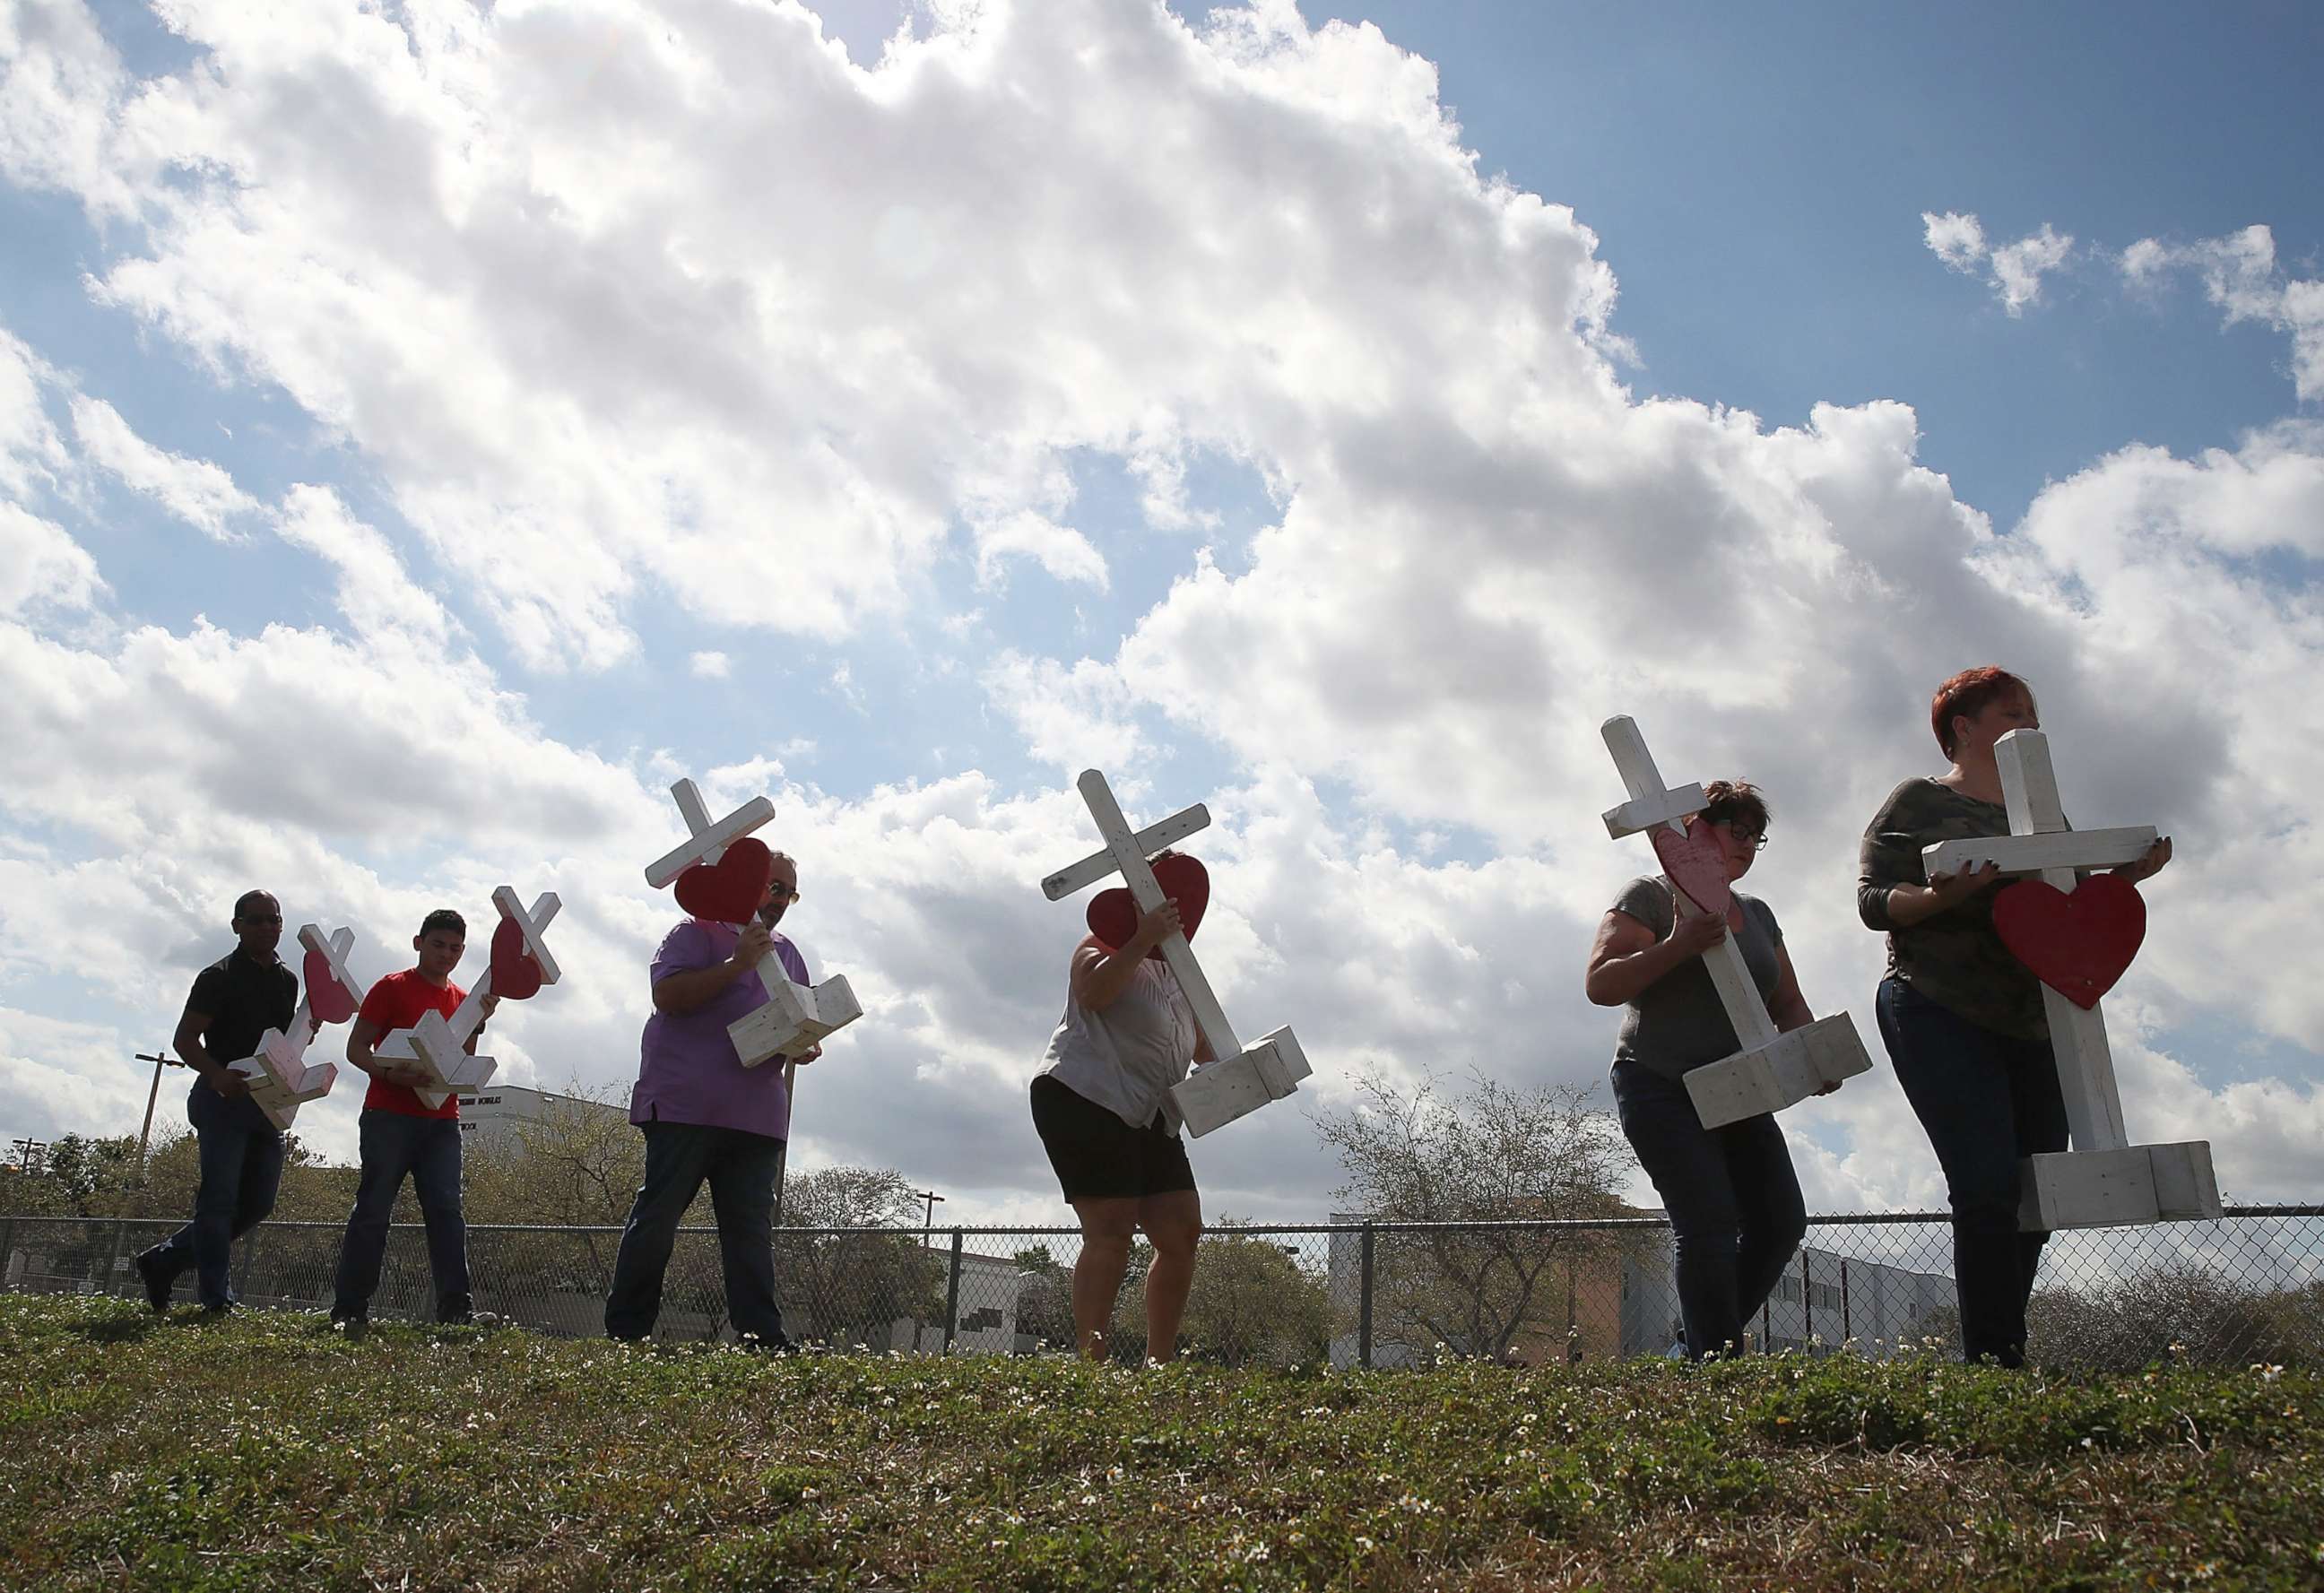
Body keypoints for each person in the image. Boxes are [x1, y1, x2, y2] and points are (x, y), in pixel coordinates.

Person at [1858, 666, 2172, 1366]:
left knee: (2035, 1188)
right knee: (1985, 1183)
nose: (2028, 724)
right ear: (1963, 728)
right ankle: (1993, 1359)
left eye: (2032, 712)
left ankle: (2004, 1342)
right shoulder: (1919, 800)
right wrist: (1938, 898)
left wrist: (2121, 879)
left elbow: (2065, 909)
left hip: (2035, 1021)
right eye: (2010, 712)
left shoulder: (2044, 812)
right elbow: (1875, 899)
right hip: (1937, 1004)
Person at [1583, 782, 1817, 1359]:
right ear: (1694, 828)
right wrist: (1679, 945)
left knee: (1780, 1220)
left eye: (1756, 837)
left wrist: (1810, 1058)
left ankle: (1698, 1344)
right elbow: (1602, 982)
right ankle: (1714, 1366)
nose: (1748, 846)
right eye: (1736, 830)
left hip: (1739, 1085)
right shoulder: (1651, 896)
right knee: (1708, 1223)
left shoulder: (1757, 915)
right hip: (1659, 1081)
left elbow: (1786, 1003)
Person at [604, 851, 819, 1346]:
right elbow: (669, 997)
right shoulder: (694, 933)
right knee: (658, 1219)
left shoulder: (789, 954)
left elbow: (793, 1019)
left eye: (788, 891)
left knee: (749, 1231)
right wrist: (737, 962)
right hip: (686, 1105)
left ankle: (761, 1338)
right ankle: (627, 1331)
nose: (779, 900)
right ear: (746, 881)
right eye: (773, 886)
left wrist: (802, 1041)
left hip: (756, 1114)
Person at [1028, 861, 1211, 1363]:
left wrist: (1251, 1068)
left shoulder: (1179, 972)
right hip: (1085, 1094)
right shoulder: (1098, 945)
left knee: (1180, 1229)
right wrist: (1139, 939)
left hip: (1153, 1111)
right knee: (1111, 1226)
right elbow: (1095, 991)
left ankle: (1160, 1362)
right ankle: (1093, 1362)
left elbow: (1202, 1045)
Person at [329, 908, 497, 1330]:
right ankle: (350, 1308)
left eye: (456, 948)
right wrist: (389, 1073)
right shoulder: (391, 987)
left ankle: (455, 1309)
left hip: (442, 1120)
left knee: (446, 1210)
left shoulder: (463, 1000)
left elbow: (463, 1063)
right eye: (438, 944)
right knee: (373, 1208)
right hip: (388, 1114)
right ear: (418, 942)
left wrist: (478, 1023)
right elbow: (356, 1049)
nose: (446, 954)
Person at [134, 890, 299, 1315]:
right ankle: (216, 1300)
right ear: (237, 926)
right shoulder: (218, 976)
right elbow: (185, 1039)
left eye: (274, 920)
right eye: (256, 919)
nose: (267, 927)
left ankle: (165, 1259)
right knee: (219, 1199)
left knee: (258, 1203)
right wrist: (217, 1074)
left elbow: (280, 1042)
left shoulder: (287, 981)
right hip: (220, 1100)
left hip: (266, 1105)